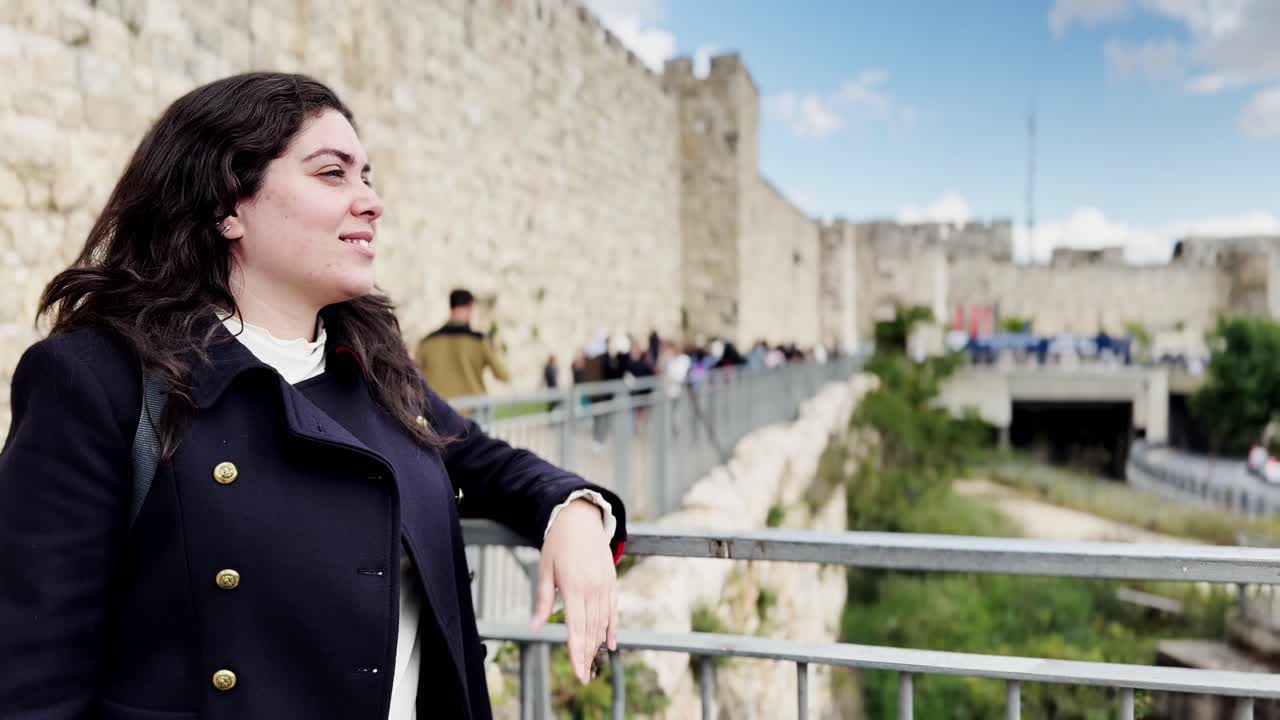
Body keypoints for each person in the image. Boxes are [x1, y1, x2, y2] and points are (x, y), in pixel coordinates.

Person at [0, 72, 625, 720]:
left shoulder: (378, 371)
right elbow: (33, 683)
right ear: (228, 206)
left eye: (368, 177)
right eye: (333, 174)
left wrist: (573, 511)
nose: (371, 202)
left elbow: (484, 459)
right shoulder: (98, 380)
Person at [413, 288, 511, 400]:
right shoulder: (479, 341)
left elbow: (414, 377)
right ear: (470, 306)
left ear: (451, 307)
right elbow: (503, 375)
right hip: (472, 411)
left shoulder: (426, 342)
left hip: (438, 412)